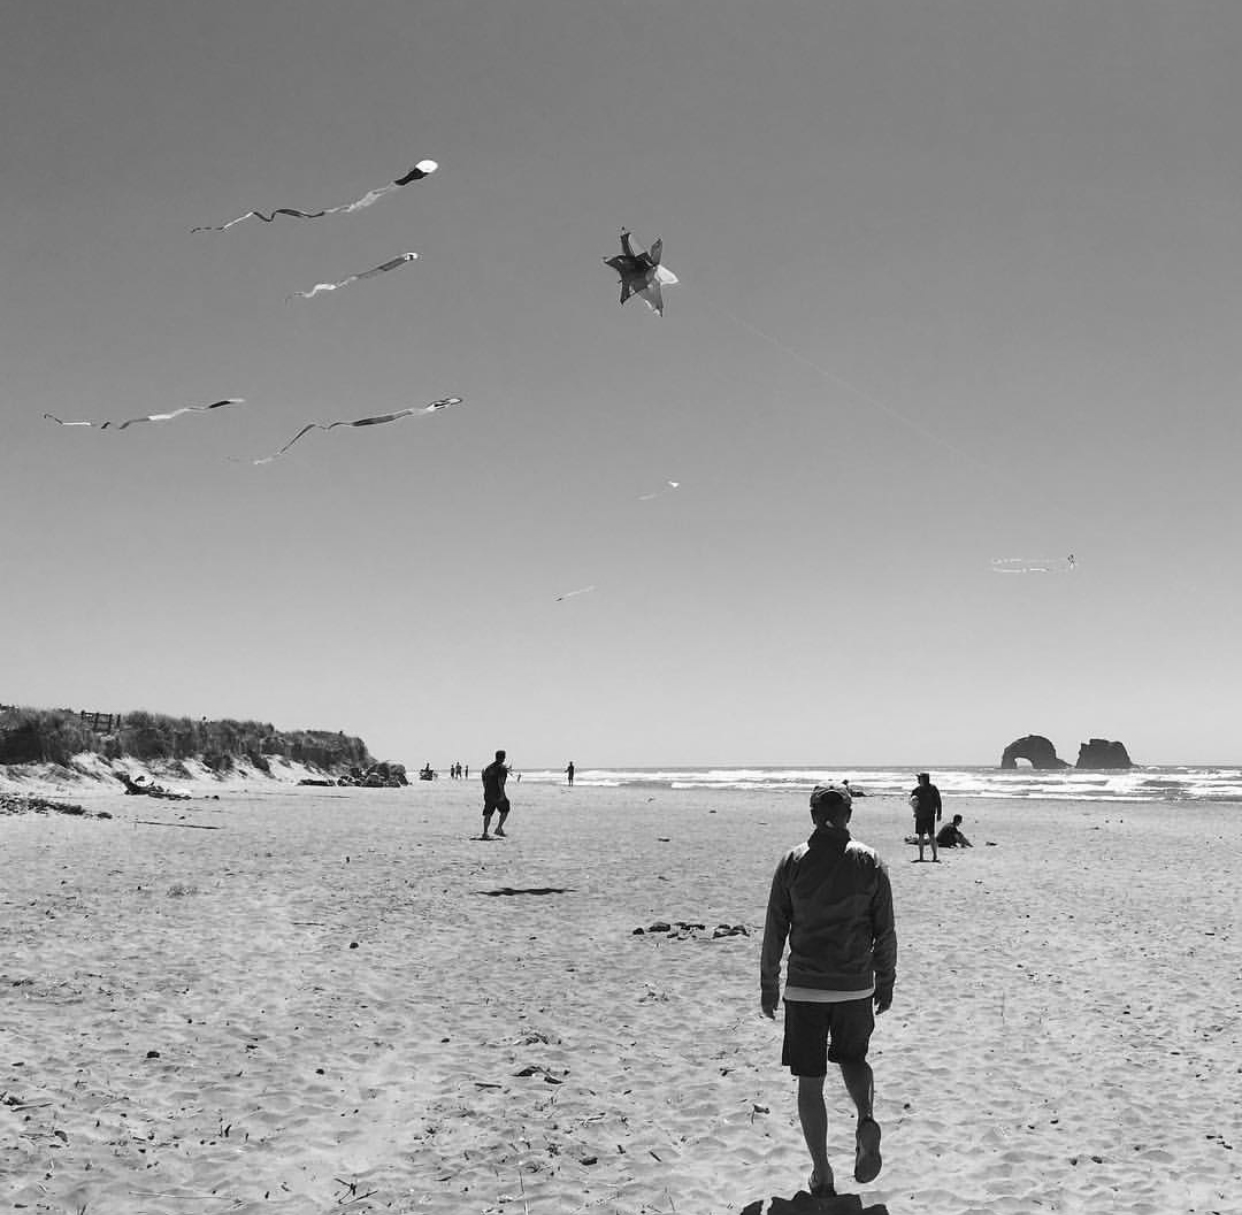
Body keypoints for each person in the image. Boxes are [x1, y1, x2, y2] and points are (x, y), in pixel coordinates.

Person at [761, 784, 896, 1198]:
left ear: (812, 814)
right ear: (849, 816)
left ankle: (822, 1173)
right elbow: (884, 927)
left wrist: (769, 982)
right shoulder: (869, 861)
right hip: (854, 985)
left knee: (810, 1082)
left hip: (805, 988)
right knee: (854, 1058)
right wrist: (885, 977)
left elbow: (776, 927)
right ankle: (866, 1118)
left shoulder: (793, 861)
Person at [908, 772, 943, 862]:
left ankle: (935, 855)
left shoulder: (933, 789)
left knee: (931, 835)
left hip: (930, 815)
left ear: (924, 779)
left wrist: (939, 813)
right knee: (920, 836)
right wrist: (914, 811)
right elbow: (912, 802)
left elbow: (938, 801)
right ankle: (921, 856)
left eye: (919, 778)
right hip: (920, 816)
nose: (918, 780)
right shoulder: (916, 790)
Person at [481, 750, 511, 839]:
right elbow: (501, 782)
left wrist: (485, 791)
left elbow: (484, 781)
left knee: (488, 813)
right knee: (505, 809)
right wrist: (502, 794)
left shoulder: (488, 768)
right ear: (503, 757)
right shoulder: (502, 768)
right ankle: (499, 828)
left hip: (488, 793)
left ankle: (485, 832)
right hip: (497, 794)